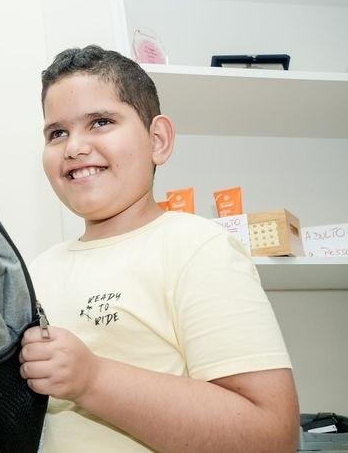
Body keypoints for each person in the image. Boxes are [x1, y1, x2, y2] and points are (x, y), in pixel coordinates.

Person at [20, 45, 299, 452]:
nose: (74, 146)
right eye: (56, 132)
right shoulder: (36, 271)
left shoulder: (196, 247)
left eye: (100, 122)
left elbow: (271, 435)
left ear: (158, 140)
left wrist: (92, 379)